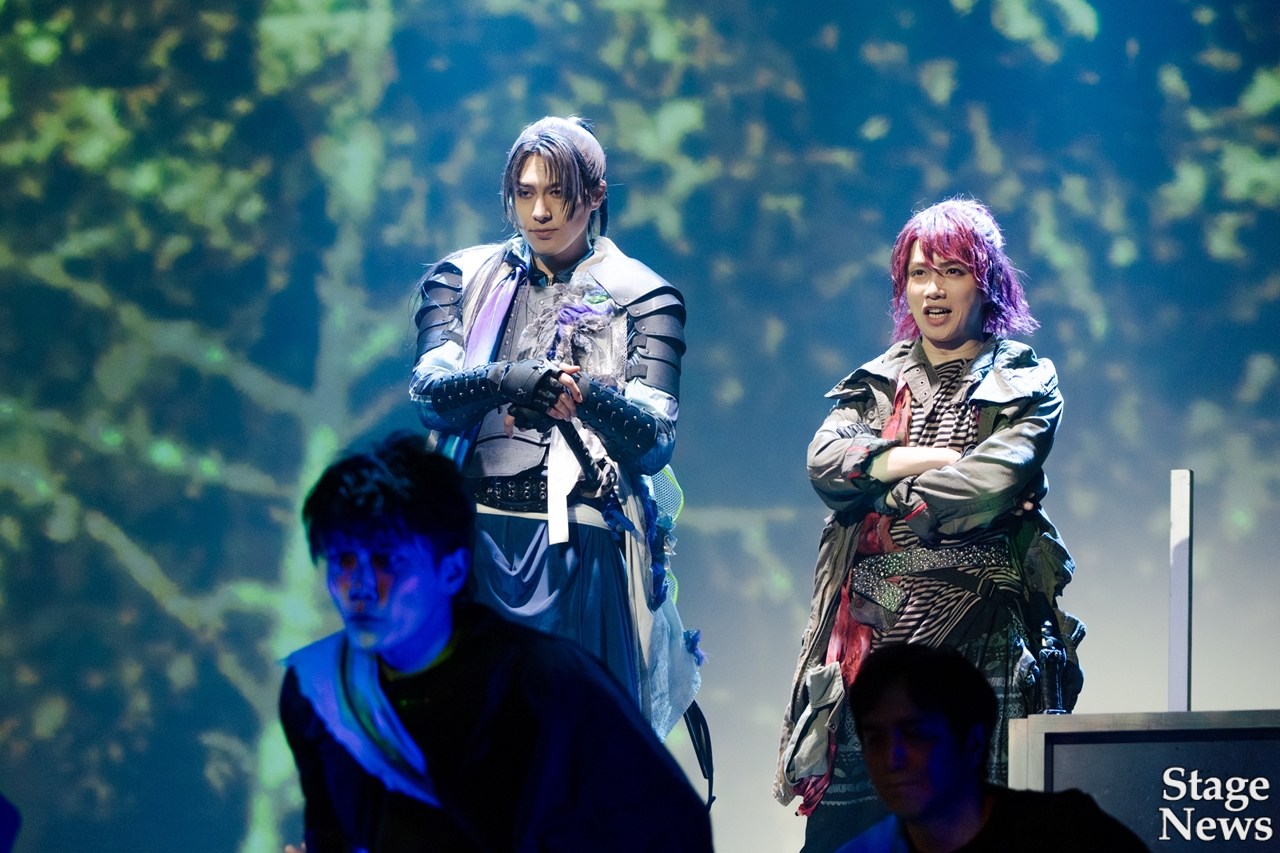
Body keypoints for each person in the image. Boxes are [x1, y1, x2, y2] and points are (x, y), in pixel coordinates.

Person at [775, 199, 1086, 853]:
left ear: (986, 281)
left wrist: (888, 489)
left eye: (952, 271)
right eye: (919, 273)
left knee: (978, 823)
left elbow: (991, 482)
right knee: (848, 833)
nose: (933, 290)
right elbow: (826, 463)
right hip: (871, 636)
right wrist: (927, 457)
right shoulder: (876, 383)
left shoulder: (1024, 378)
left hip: (980, 631)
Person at [279, 432, 714, 852]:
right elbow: (331, 829)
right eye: (343, 560)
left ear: (452, 569)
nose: (359, 585)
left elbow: (674, 828)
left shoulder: (551, 684)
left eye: (385, 559)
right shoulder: (315, 690)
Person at [409, 116, 700, 736]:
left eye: (557, 193)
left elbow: (654, 439)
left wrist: (582, 395)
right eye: (524, 193)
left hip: (581, 548)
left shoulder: (645, 296)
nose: (538, 212)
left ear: (595, 195)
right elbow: (430, 398)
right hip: (473, 540)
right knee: (467, 744)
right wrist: (508, 379)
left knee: (577, 744)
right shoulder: (461, 278)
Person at [834, 644, 1148, 853]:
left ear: (973, 742)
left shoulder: (1069, 833)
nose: (893, 758)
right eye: (875, 739)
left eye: (916, 735)